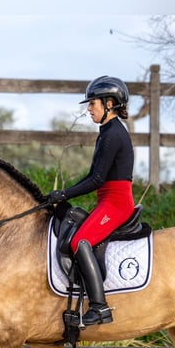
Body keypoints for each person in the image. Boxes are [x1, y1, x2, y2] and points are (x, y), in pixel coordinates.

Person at [46, 75, 135, 326]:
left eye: (92, 104)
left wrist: (63, 193)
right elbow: (93, 177)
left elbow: (96, 179)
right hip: (107, 200)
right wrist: (64, 196)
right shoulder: (106, 132)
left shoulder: (114, 134)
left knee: (80, 241)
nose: (89, 109)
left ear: (109, 103)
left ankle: (100, 307)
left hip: (117, 204)